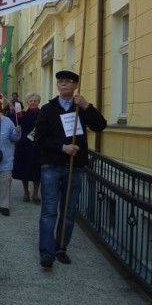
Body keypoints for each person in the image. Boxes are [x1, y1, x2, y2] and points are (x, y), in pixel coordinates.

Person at [35, 70, 106, 268]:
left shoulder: (81, 108)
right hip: (51, 165)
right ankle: (47, 252)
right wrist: (62, 147)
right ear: (57, 86)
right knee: (49, 211)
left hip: (75, 167)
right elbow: (39, 138)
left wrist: (86, 105)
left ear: (75, 85)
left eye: (68, 82)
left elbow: (100, 125)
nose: (63, 84)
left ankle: (61, 248)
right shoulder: (48, 109)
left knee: (68, 212)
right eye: (61, 82)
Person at [12, 92, 42, 203]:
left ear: (39, 102)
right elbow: (14, 121)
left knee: (37, 171)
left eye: (35, 100)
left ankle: (35, 193)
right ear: (27, 102)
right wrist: (17, 126)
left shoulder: (43, 114)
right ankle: (26, 192)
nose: (33, 102)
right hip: (24, 146)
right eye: (31, 101)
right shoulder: (22, 115)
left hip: (38, 146)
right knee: (23, 169)